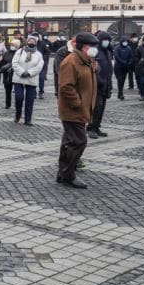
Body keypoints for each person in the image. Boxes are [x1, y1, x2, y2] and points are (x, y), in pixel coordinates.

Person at [57, 32, 99, 189]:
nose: (95, 49)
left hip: (82, 109)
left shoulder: (86, 61)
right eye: (92, 46)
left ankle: (63, 173)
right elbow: (66, 86)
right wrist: (78, 104)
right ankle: (68, 175)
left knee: (69, 141)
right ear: (83, 47)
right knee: (78, 142)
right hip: (73, 111)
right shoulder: (71, 61)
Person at [11, 34, 44, 125]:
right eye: (30, 41)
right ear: (27, 41)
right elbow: (14, 63)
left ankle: (27, 119)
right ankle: (17, 115)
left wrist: (29, 72)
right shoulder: (20, 51)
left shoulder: (38, 54)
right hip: (19, 78)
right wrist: (21, 72)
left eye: (33, 41)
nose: (31, 42)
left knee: (30, 100)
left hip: (31, 79)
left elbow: (39, 66)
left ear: (36, 42)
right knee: (19, 97)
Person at [87, 31, 113, 139]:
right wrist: (98, 80)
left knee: (102, 108)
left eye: (108, 40)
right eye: (105, 40)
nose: (106, 42)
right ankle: (91, 128)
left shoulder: (107, 52)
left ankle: (97, 127)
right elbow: (91, 68)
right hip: (96, 85)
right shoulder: (95, 51)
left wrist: (109, 84)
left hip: (105, 84)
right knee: (96, 107)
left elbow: (109, 70)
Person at [0, 40, 19, 108]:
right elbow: (2, 62)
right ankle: (8, 104)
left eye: (13, 45)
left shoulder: (19, 53)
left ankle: (18, 104)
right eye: (11, 45)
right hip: (7, 74)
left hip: (15, 74)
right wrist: (1, 61)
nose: (12, 46)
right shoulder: (6, 53)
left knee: (17, 91)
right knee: (7, 90)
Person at [38, 33, 52, 99]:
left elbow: (47, 51)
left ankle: (41, 92)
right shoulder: (30, 44)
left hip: (41, 63)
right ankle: (33, 92)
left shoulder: (42, 43)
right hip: (32, 65)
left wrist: (43, 58)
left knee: (41, 78)